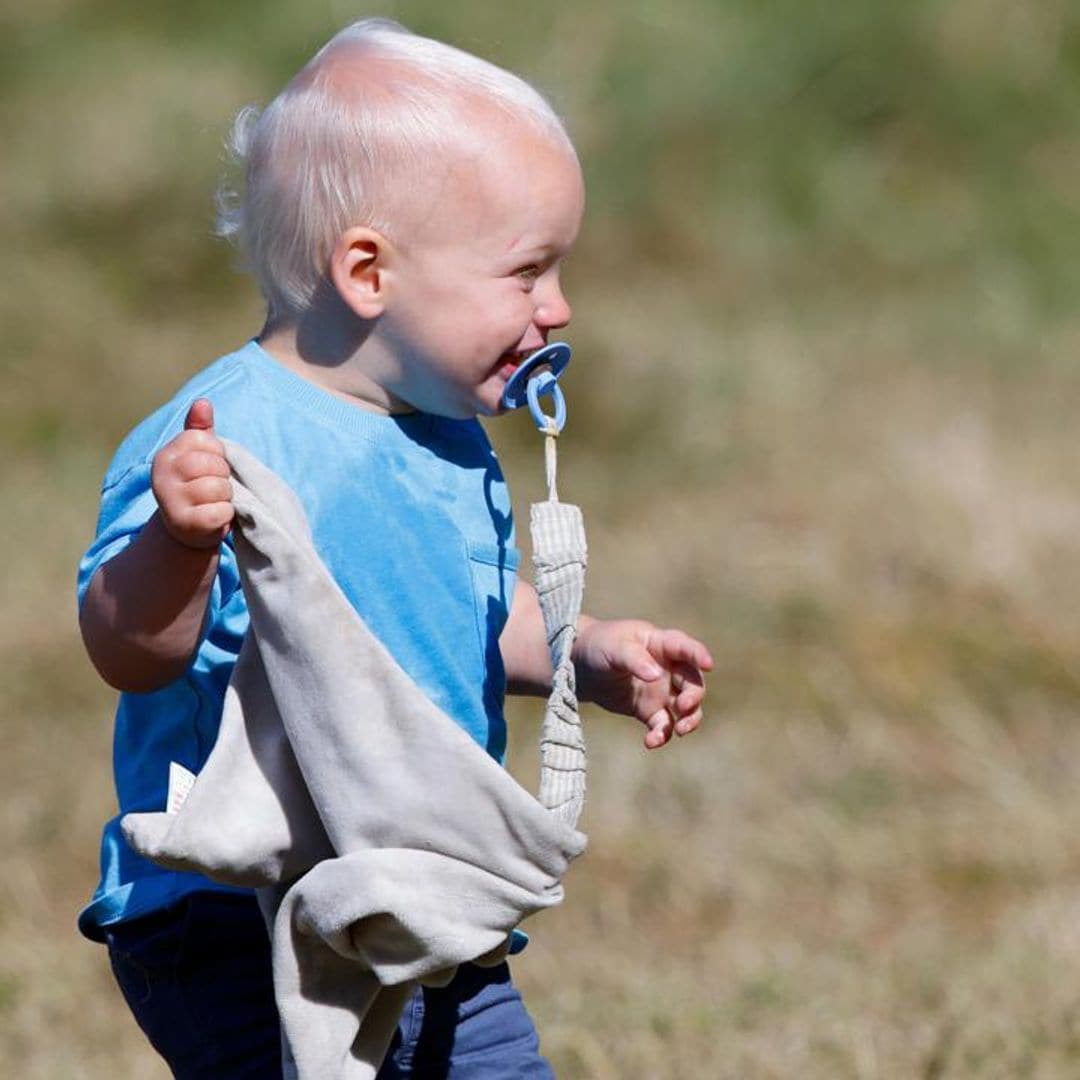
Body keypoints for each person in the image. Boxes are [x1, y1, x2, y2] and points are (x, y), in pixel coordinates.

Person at [77, 18, 713, 1079]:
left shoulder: (448, 438)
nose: (559, 307)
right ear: (369, 270)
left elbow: (462, 614)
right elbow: (129, 651)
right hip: (237, 910)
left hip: (419, 884)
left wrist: (584, 650)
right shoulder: (221, 440)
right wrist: (179, 551)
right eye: (527, 272)